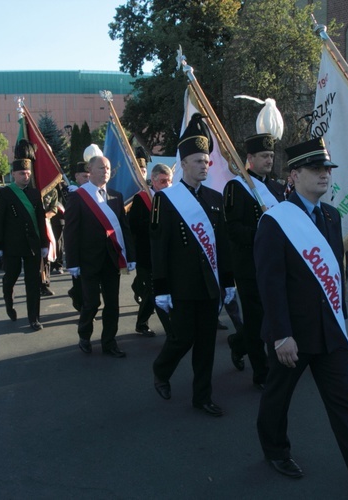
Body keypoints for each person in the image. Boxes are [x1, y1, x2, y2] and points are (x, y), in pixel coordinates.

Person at [254, 137, 348, 494]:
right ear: (293, 175)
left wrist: (340, 315)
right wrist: (281, 334)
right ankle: (275, 450)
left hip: (329, 330)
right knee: (277, 398)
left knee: (344, 404)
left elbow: (337, 273)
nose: (325, 175)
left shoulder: (331, 215)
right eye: (316, 169)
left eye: (327, 169)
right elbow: (271, 284)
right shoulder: (275, 221)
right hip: (292, 333)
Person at [150, 114, 235, 417]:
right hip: (182, 284)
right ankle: (161, 369)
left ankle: (202, 396)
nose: (204, 166)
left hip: (209, 284)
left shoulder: (215, 197)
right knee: (183, 338)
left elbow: (222, 243)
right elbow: (159, 247)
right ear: (183, 163)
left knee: (207, 345)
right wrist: (161, 289)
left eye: (207, 161)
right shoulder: (166, 199)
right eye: (199, 161)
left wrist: (228, 281)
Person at [223, 132, 286, 389]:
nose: (269, 160)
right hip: (249, 265)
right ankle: (261, 372)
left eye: (271, 155)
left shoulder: (276, 187)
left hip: (274, 263)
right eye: (264, 156)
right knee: (256, 318)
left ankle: (238, 343)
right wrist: (262, 231)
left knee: (271, 315)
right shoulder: (236, 187)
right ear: (250, 158)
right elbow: (233, 229)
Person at [64, 155, 135, 356]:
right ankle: (84, 335)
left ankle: (109, 342)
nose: (106, 171)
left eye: (108, 168)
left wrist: (130, 256)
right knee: (92, 302)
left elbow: (124, 228)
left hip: (112, 259)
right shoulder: (78, 197)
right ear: (90, 170)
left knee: (113, 303)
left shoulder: (116, 196)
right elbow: (71, 232)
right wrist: (73, 262)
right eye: (102, 168)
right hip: (88, 261)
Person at [0, 157, 48, 331]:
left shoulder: (35, 193)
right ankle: (9, 302)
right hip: (12, 246)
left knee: (33, 282)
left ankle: (34, 318)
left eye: (28, 173)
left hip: (32, 245)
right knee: (11, 278)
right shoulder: (4, 193)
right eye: (22, 173)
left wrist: (44, 243)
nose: (26, 176)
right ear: (13, 174)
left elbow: (41, 220)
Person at [128, 163, 174, 338]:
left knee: (163, 287)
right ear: (153, 180)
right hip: (146, 254)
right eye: (163, 181)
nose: (167, 184)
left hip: (166, 252)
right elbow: (134, 225)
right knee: (152, 291)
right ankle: (143, 323)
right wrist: (153, 225)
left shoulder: (171, 197)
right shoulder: (141, 198)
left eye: (169, 181)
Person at [66, 162, 90, 312]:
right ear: (76, 176)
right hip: (77, 240)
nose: (88, 179)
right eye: (85, 176)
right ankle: (80, 302)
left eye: (89, 176)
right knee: (79, 278)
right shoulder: (70, 191)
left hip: (91, 241)